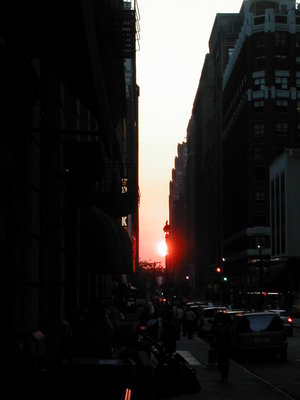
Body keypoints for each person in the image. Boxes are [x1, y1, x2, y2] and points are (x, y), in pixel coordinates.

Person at [211, 312, 236, 382]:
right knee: (220, 361)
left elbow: (233, 338)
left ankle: (224, 375)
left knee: (224, 361)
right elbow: (213, 333)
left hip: (225, 346)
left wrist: (233, 345)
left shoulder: (230, 328)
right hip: (220, 346)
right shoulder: (219, 326)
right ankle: (224, 374)